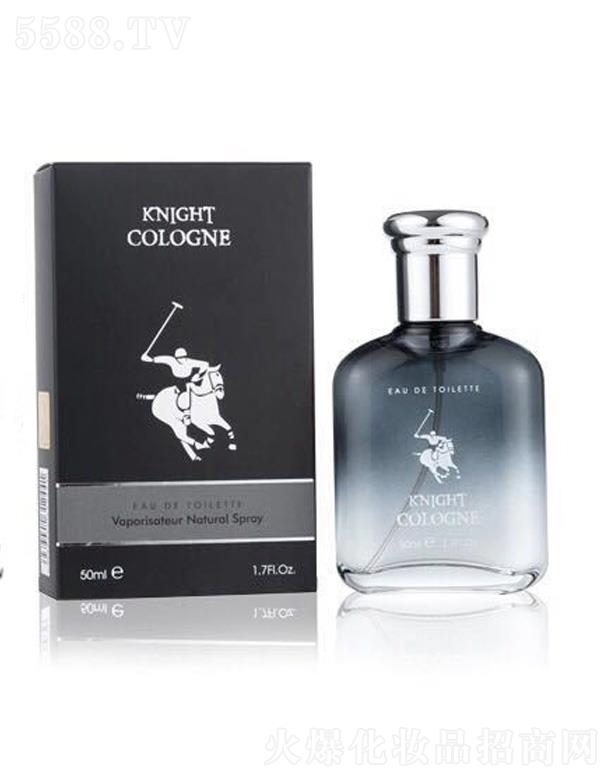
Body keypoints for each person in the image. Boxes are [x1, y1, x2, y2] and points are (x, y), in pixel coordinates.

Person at [141, 347, 209, 424]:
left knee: (193, 391)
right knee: (168, 388)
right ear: (176, 358)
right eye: (179, 358)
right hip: (176, 381)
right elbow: (158, 359)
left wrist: (198, 374)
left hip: (188, 381)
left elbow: (205, 364)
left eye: (183, 357)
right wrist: (148, 359)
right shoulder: (171, 360)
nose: (182, 360)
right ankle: (186, 414)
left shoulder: (190, 361)